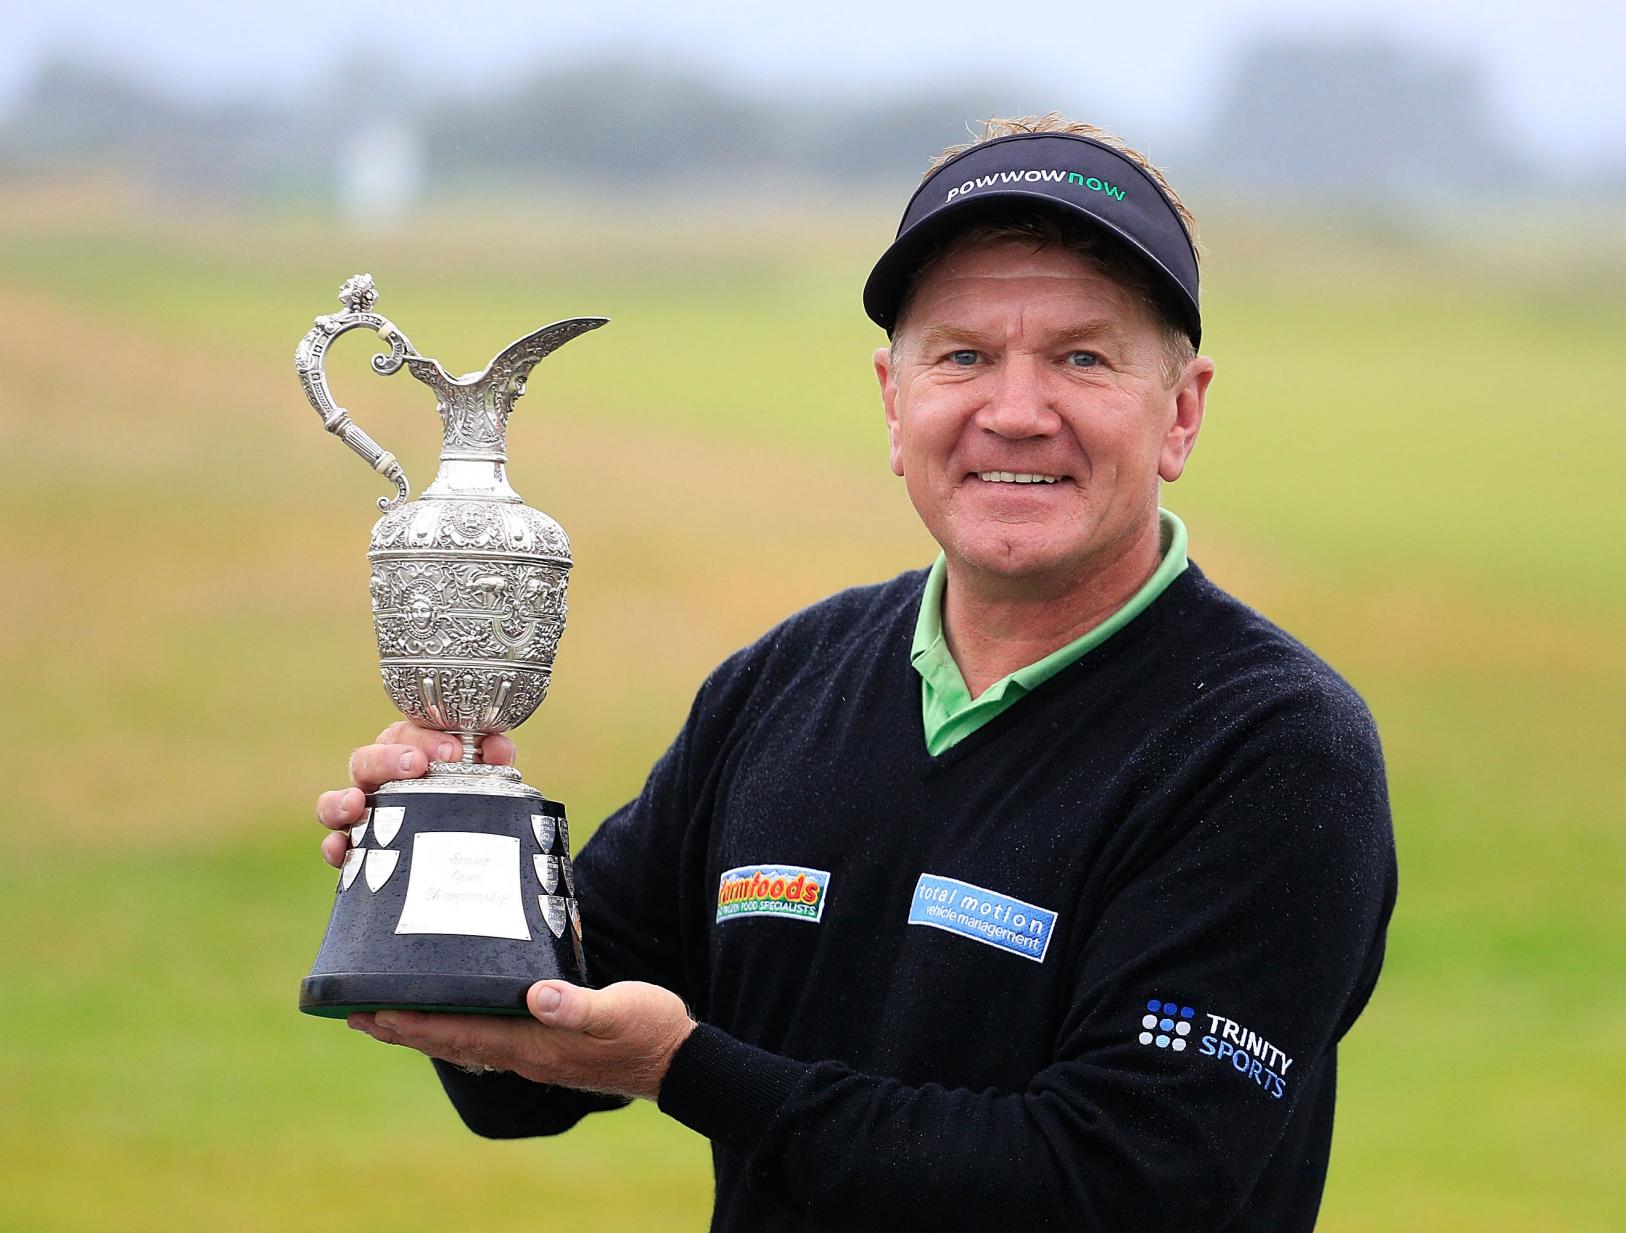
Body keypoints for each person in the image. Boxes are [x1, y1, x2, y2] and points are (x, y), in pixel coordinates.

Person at [315, 115, 1397, 1233]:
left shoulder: (1271, 748)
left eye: (1081, 356)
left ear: (1179, 410)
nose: (1016, 412)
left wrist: (688, 1069)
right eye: (963, 355)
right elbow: (525, 1083)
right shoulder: (785, 683)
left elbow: (1119, 1185)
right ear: (893, 398)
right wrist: (449, 887)